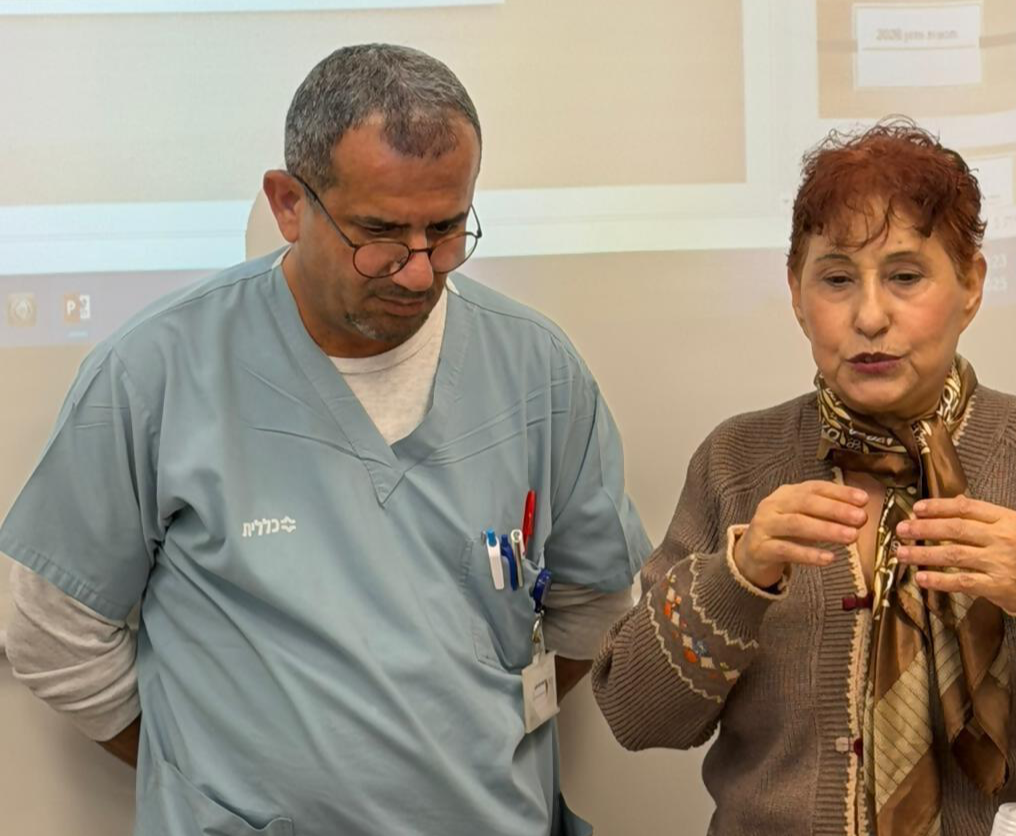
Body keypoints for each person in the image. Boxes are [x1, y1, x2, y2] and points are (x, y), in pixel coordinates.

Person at [2, 43, 650, 835]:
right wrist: (201, 767)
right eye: (380, 233)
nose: (419, 271)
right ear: (288, 203)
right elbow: (51, 632)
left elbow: (596, 606)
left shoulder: (535, 370)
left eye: (446, 229)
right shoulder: (156, 372)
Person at [592, 119, 1016, 835]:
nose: (870, 316)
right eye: (836, 279)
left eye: (906, 276)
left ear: (971, 285)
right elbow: (636, 716)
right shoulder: (736, 461)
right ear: (796, 294)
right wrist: (738, 576)